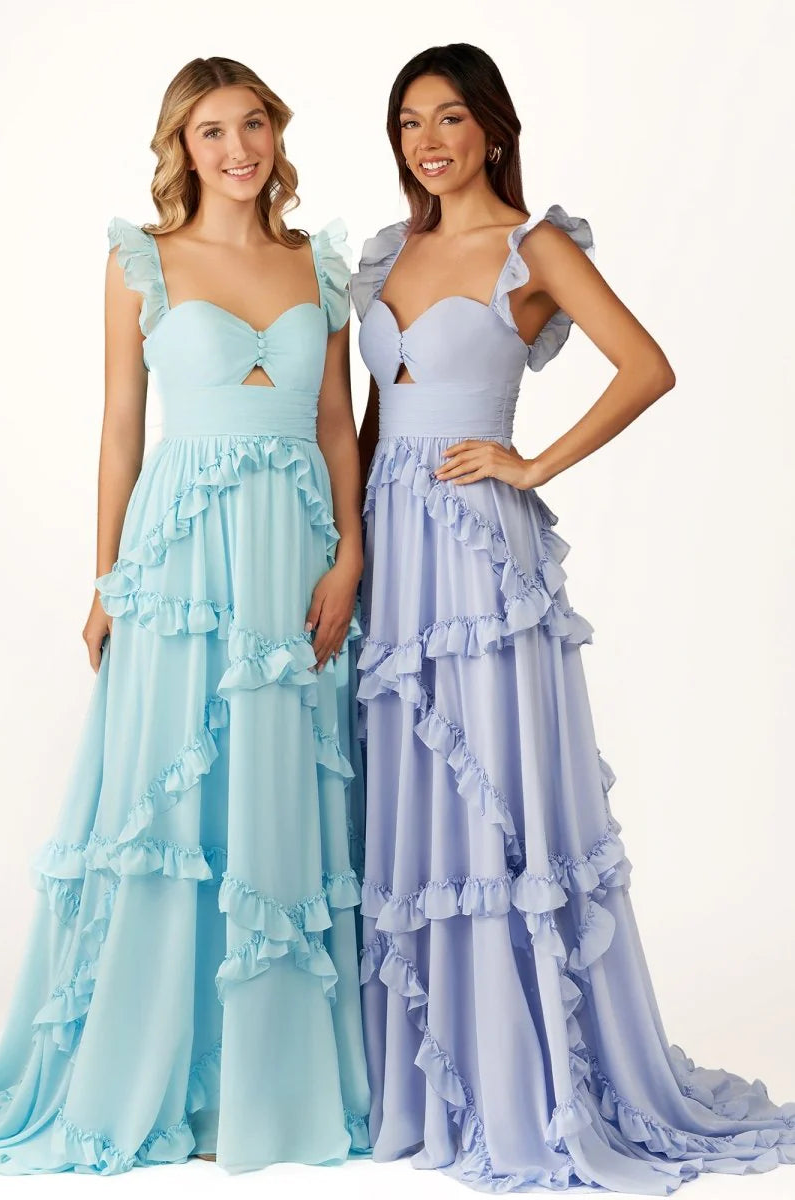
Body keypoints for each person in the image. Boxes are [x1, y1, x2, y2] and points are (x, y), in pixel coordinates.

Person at [0, 54, 370, 1175]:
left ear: (276, 134)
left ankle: (267, 1083)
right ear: (181, 148)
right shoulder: (141, 261)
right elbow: (120, 425)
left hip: (293, 552)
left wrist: (351, 555)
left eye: (252, 125)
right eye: (211, 132)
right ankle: (151, 1063)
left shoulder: (319, 263)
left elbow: (336, 425)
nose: (237, 149)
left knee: (275, 786)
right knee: (169, 792)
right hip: (181, 559)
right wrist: (106, 579)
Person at [353, 41, 795, 1195]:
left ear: (493, 128)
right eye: (409, 122)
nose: (428, 141)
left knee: (489, 792)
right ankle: (415, 1077)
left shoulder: (534, 245)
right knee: (405, 788)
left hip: (475, 559)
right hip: (390, 552)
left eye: (450, 118)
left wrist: (530, 461)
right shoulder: (389, 251)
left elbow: (646, 366)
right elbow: (369, 419)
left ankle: (521, 1076)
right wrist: (342, 543)